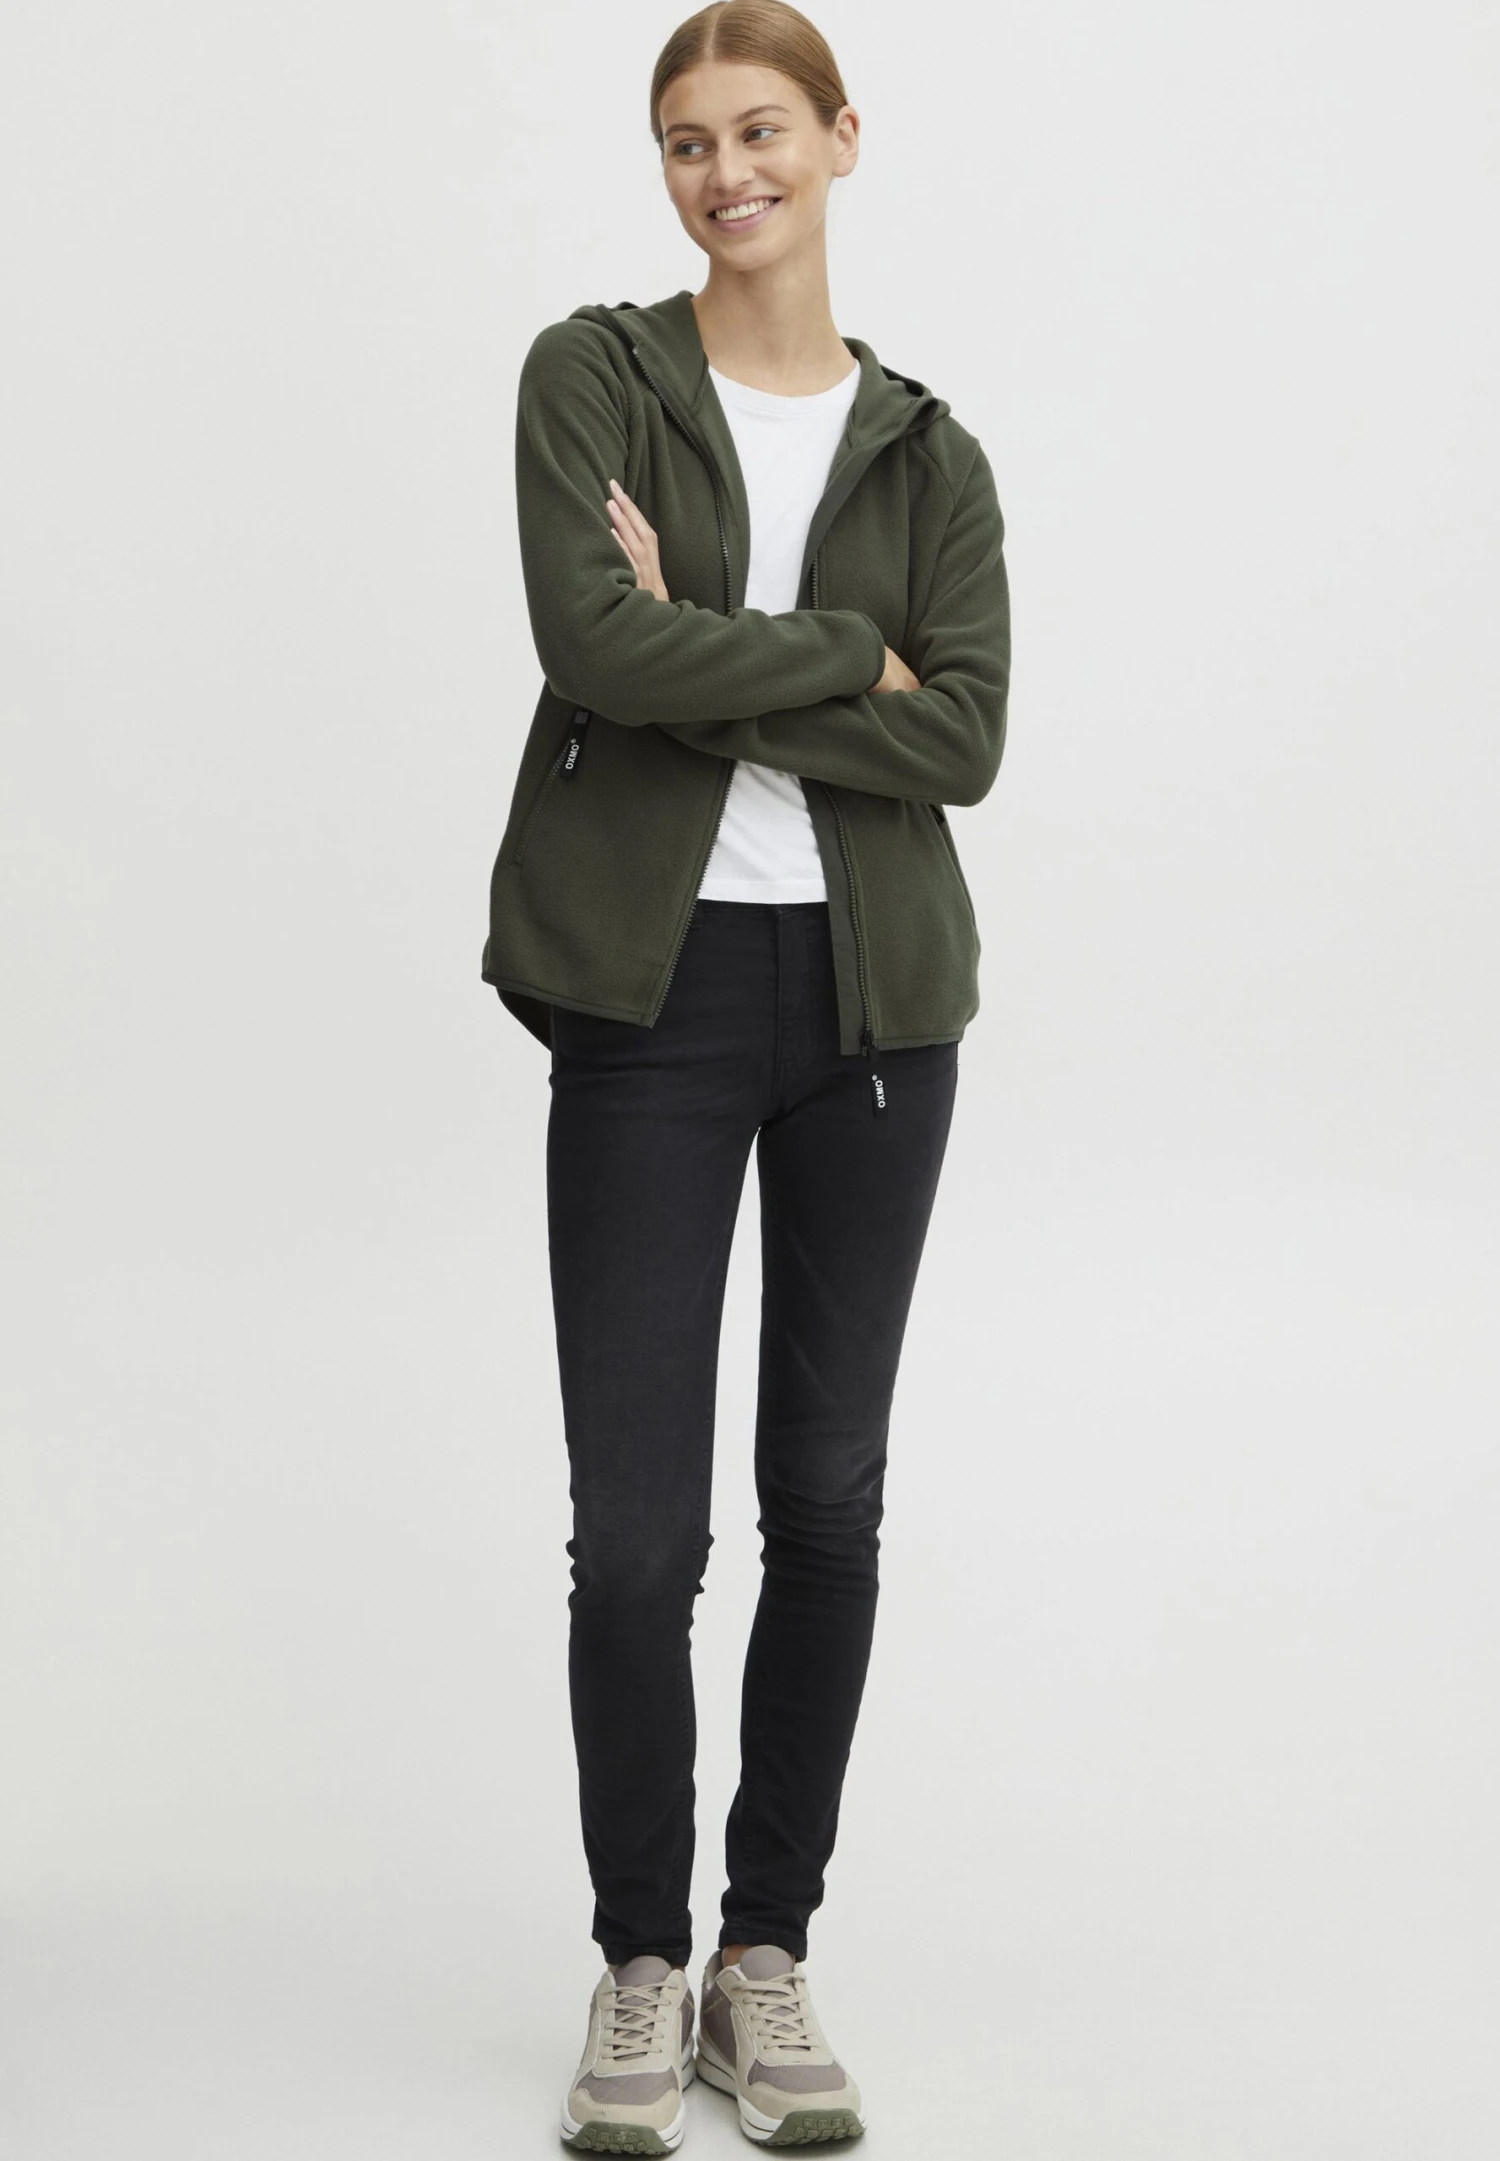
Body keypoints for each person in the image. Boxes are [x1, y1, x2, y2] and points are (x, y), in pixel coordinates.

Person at [481, 3, 1010, 2147]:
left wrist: (700, 651)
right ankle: (639, 1959)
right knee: (635, 1534)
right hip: (652, 994)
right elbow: (592, 647)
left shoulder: (931, 452)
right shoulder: (594, 378)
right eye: (689, 140)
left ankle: (760, 1955)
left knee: (830, 1503)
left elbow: (961, 738)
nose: (729, 174)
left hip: (878, 1009)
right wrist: (835, 659)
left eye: (764, 129)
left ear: (843, 138)